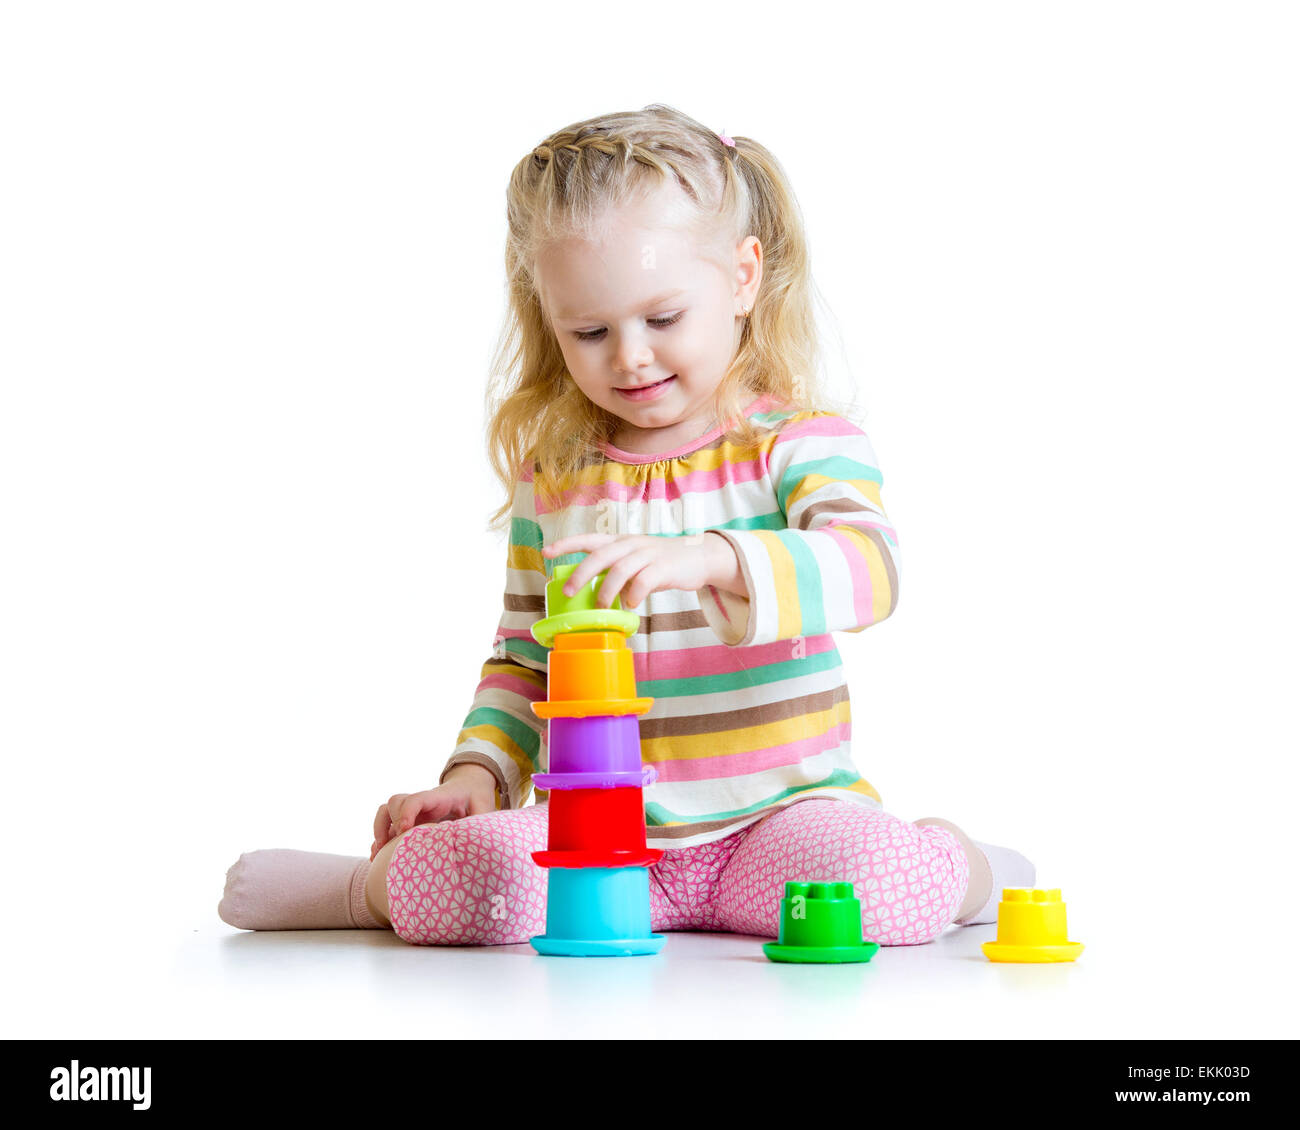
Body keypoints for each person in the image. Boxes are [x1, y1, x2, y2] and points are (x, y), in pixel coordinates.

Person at [219, 104, 1033, 946]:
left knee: (874, 886)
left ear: (744, 277)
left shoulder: (797, 444)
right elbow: (524, 655)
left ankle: (964, 866)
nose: (630, 356)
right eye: (591, 330)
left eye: (663, 318)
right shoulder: (558, 476)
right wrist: (476, 775)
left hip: (777, 822)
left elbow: (870, 569)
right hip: (596, 833)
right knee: (477, 876)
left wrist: (707, 561)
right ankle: (356, 889)